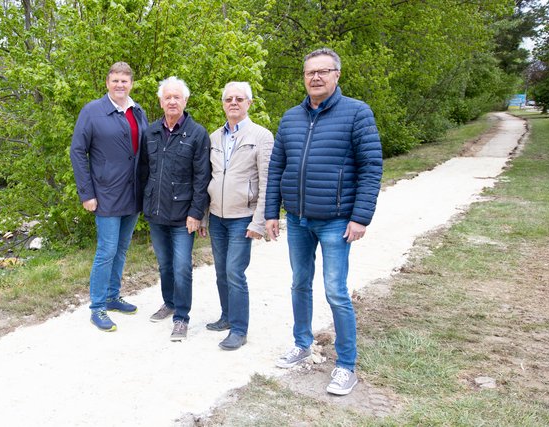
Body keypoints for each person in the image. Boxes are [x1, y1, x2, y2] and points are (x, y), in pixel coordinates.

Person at [265, 48, 383, 395]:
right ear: (304, 77)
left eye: (323, 71)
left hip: (335, 221)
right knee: (299, 283)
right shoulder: (290, 118)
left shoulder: (357, 113)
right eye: (310, 72)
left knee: (336, 291)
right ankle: (302, 344)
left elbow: (371, 167)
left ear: (337, 75)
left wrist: (360, 217)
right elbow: (277, 169)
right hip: (298, 220)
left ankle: (346, 365)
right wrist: (272, 212)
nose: (315, 77)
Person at [70, 62, 148, 332]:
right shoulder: (92, 112)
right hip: (105, 195)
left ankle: (114, 297)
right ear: (107, 83)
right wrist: (87, 193)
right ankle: (97, 307)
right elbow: (78, 152)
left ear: (131, 84)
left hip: (133, 194)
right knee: (106, 251)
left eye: (125, 81)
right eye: (115, 80)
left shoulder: (138, 111)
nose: (120, 85)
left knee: (122, 249)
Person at [200, 82, 274, 351]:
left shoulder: (262, 136)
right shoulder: (213, 137)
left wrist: (260, 221)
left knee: (234, 271)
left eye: (239, 99)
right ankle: (227, 317)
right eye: (228, 99)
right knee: (221, 271)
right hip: (218, 216)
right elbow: (208, 178)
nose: (233, 102)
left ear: (249, 103)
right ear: (223, 103)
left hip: (243, 216)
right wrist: (205, 216)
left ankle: (240, 329)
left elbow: (267, 181)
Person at [139, 77, 211, 342]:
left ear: (185, 101)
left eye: (176, 97)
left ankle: (181, 317)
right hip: (156, 212)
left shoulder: (197, 133)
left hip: (184, 215)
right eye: (167, 97)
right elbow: (144, 170)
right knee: (165, 264)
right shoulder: (151, 132)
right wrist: (143, 203)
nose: (172, 101)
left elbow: (202, 177)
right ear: (161, 102)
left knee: (182, 267)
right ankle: (168, 302)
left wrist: (196, 212)